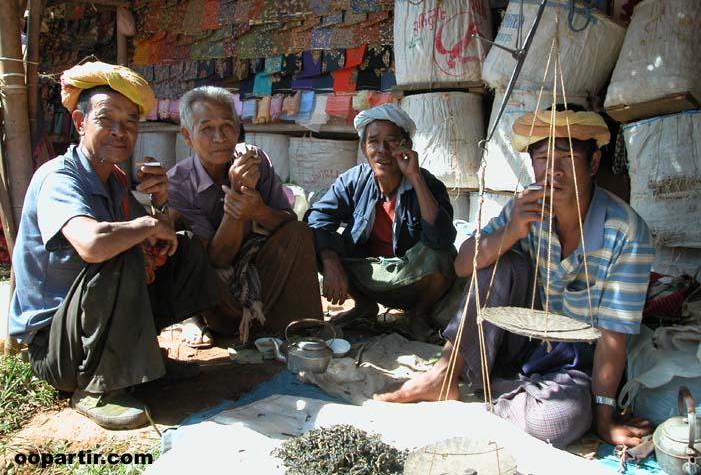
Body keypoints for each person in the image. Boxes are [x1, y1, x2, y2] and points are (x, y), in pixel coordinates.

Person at [375, 108, 655, 448]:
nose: (553, 172)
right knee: (499, 262)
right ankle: (445, 374)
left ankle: (499, 400)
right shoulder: (526, 207)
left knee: (556, 420)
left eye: (566, 158)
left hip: (574, 364)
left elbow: (613, 336)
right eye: (541, 159)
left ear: (593, 164)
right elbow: (463, 265)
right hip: (521, 340)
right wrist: (511, 230)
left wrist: (604, 417)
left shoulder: (625, 232)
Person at [9, 61, 220, 430]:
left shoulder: (115, 179)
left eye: (130, 123)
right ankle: (96, 389)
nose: (120, 132)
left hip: (89, 328)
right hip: (56, 349)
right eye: (106, 119)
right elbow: (92, 244)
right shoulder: (59, 176)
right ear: (79, 123)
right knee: (118, 251)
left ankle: (140, 361)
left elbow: (155, 234)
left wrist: (160, 204)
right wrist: (144, 225)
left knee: (184, 248)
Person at [167, 86, 323, 346]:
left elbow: (288, 222)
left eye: (228, 126)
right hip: (215, 281)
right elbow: (217, 259)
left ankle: (287, 323)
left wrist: (259, 210)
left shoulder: (253, 159)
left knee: (299, 234)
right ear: (187, 136)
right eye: (206, 129)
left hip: (256, 262)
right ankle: (208, 320)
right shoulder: (178, 184)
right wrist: (239, 198)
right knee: (185, 245)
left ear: (239, 128)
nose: (220, 137)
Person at [305, 104, 456, 340]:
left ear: (406, 146)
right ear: (364, 149)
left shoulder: (427, 184)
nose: (382, 150)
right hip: (368, 272)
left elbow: (442, 239)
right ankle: (365, 306)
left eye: (392, 141)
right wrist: (330, 259)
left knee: (441, 257)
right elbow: (317, 217)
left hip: (409, 277)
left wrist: (415, 177)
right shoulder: (354, 180)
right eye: (373, 141)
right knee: (311, 238)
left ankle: (418, 314)